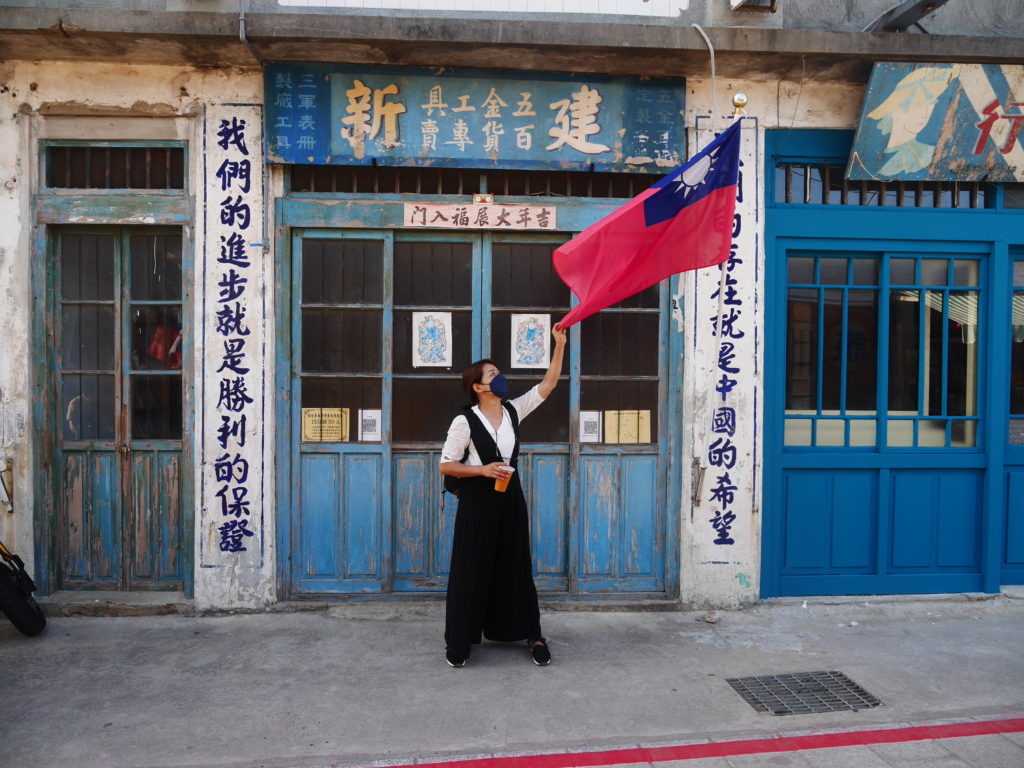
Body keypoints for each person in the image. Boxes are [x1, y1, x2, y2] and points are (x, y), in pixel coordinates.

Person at [439, 324, 567, 668]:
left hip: (510, 499)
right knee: (471, 567)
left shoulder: (512, 410)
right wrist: (482, 470)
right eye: (493, 374)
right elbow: (446, 465)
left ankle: (533, 635)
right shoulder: (465, 421)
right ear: (478, 387)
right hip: (477, 502)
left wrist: (559, 345)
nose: (500, 378)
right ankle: (459, 641)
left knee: (516, 566)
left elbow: (547, 385)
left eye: (499, 372)